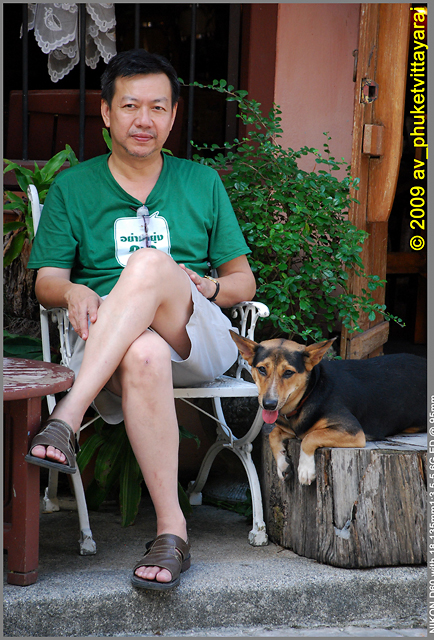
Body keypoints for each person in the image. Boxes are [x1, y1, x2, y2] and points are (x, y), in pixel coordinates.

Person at [26, 49, 256, 591]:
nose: (143, 120)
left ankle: (67, 416)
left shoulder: (202, 182)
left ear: (174, 116)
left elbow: (243, 282)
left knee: (150, 264)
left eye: (157, 107)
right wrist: (74, 289)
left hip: (193, 336)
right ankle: (172, 533)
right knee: (143, 350)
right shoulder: (74, 187)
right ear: (107, 113)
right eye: (130, 106)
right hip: (111, 344)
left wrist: (208, 287)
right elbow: (46, 281)